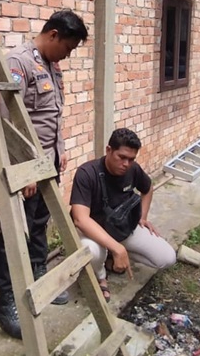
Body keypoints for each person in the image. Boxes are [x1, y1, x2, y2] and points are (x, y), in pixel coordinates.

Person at [0, 10, 89, 339]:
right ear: (53, 35)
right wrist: (24, 169)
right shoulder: (17, 63)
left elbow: (52, 113)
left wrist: (59, 151)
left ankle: (40, 279)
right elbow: (5, 123)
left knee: (38, 226)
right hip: (26, 169)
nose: (69, 54)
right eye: (68, 47)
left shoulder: (51, 64)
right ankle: (6, 301)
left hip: (47, 164)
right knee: (14, 233)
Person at [69, 128, 176, 301]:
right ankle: (101, 276)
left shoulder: (133, 170)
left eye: (131, 159)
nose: (126, 164)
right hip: (93, 232)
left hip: (122, 226)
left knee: (167, 258)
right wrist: (117, 248)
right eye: (122, 157)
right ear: (109, 150)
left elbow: (147, 189)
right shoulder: (87, 173)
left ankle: (112, 258)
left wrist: (143, 217)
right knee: (92, 252)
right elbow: (80, 219)